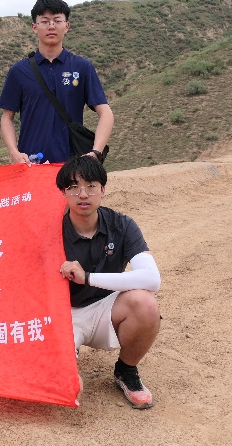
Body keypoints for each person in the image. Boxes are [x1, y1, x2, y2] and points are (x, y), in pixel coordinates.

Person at [56, 155, 161, 409]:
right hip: (61, 315)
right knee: (66, 388)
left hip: (106, 309)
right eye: (74, 187)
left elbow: (151, 278)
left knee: (145, 304)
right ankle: (62, 362)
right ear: (63, 193)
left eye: (91, 186)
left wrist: (88, 278)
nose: (83, 194)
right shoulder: (51, 230)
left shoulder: (121, 225)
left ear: (102, 190)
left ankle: (126, 370)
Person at [0, 0, 114, 164]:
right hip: (31, 164)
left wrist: (96, 151)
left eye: (57, 21)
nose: (51, 26)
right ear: (34, 27)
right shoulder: (19, 71)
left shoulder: (82, 67)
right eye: (45, 21)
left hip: (72, 166)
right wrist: (14, 152)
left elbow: (106, 113)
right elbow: (7, 117)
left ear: (67, 26)